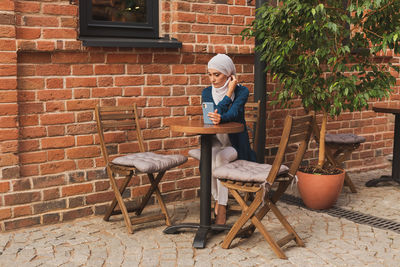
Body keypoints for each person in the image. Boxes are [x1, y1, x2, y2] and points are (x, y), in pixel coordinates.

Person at [190, 54, 256, 225]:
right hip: (215, 142)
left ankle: (222, 206)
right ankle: (218, 199)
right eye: (209, 74)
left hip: (236, 145)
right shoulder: (206, 93)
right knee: (209, 157)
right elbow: (211, 118)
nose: (212, 79)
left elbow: (232, 114)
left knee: (218, 158)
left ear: (229, 74)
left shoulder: (242, 91)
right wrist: (226, 98)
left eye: (217, 74)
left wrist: (229, 91)